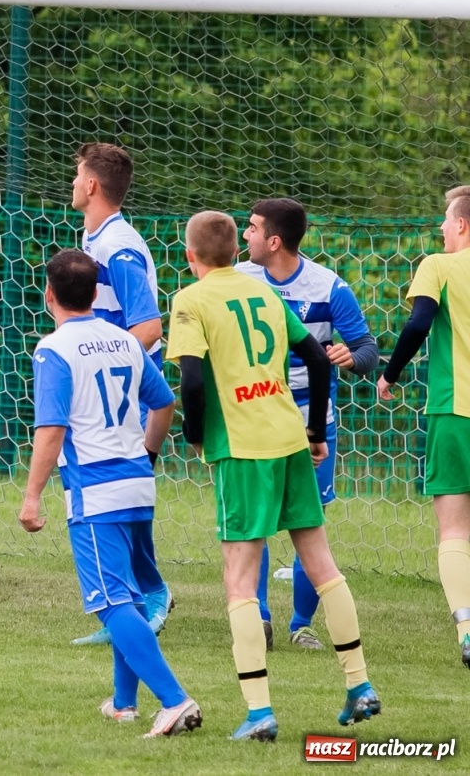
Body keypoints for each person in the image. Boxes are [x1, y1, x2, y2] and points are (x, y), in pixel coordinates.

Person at [164, 210, 380, 741]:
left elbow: (191, 380)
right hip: (289, 438)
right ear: (238, 251)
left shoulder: (190, 300)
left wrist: (194, 434)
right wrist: (315, 431)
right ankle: (359, 685)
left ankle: (259, 712)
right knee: (323, 564)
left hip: (243, 450)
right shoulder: (265, 295)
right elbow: (318, 357)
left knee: (239, 578)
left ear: (190, 257)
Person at [19, 250, 203, 739]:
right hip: (138, 483)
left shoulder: (53, 349)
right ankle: (123, 703)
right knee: (132, 595)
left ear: (49, 295)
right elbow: (164, 403)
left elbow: (52, 429)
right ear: (98, 293)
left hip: (95, 490)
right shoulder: (125, 340)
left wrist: (32, 495)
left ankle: (174, 700)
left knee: (110, 602)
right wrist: (146, 452)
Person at [237, 197, 378, 650]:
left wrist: (350, 357)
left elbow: (368, 349)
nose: (246, 235)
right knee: (253, 524)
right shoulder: (237, 281)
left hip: (311, 423)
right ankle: (258, 620)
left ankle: (301, 624)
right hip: (254, 419)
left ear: (274, 241)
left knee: (308, 524)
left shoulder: (328, 287)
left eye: (253, 228)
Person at [69, 142, 171, 643]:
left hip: (118, 390)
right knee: (98, 492)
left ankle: (149, 592)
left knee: (115, 494)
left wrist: (99, 364)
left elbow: (149, 327)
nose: (72, 182)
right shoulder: (93, 238)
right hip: (102, 385)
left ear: (92, 185)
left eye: (76, 174)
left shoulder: (119, 246)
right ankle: (123, 603)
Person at [377, 184, 470, 670]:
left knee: (454, 526)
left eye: (445, 222)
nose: (440, 229)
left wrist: (389, 374)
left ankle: (467, 628)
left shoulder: (439, 265)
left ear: (461, 224)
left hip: (456, 410)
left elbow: (417, 325)